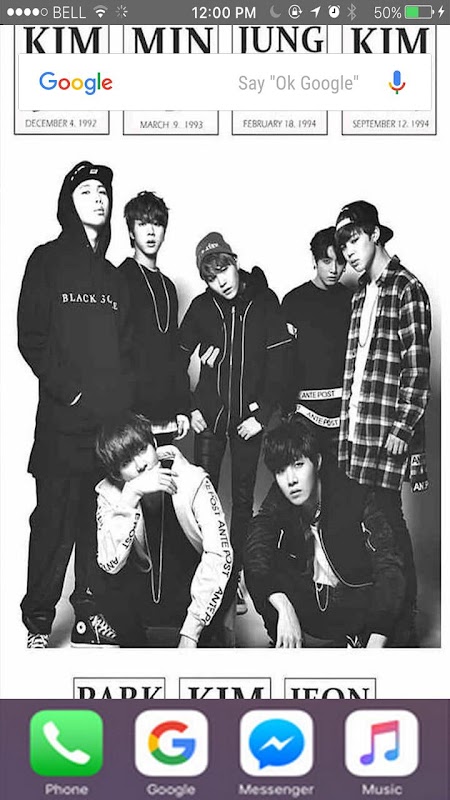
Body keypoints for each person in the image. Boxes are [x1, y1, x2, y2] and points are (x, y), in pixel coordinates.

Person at [18, 161, 134, 649]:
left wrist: (118, 407)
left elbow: (127, 351)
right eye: (86, 191)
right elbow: (31, 337)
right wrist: (74, 393)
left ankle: (89, 616)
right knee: (53, 523)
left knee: (98, 524)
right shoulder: (45, 260)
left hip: (105, 430)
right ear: (69, 203)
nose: (98, 198)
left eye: (103, 191)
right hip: (62, 425)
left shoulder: (113, 276)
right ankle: (39, 622)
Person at [179, 232, 290, 640]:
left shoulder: (264, 301)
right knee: (201, 501)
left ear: (234, 262)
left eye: (223, 269)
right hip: (210, 419)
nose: (220, 281)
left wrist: (262, 415)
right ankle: (208, 578)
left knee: (243, 501)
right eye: (210, 277)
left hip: (248, 422)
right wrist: (190, 407)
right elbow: (176, 356)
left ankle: (235, 579)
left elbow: (281, 362)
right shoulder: (201, 307)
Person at [334, 201, 431, 644]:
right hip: (359, 429)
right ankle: (390, 621)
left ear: (375, 234)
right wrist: (347, 428)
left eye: (354, 240)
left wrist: (401, 429)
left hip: (388, 431)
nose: (349, 253)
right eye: (343, 246)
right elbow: (356, 370)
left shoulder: (408, 288)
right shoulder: (360, 294)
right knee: (375, 525)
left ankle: (401, 627)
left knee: (387, 523)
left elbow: (417, 368)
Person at [244, 418, 406, 648]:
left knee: (390, 590)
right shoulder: (279, 497)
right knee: (260, 563)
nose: (291, 480)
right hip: (312, 605)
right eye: (281, 471)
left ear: (317, 462)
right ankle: (288, 642)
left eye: (298, 465)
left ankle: (357, 641)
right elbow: (255, 549)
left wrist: (377, 639)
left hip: (357, 604)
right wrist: (283, 607)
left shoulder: (354, 494)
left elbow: (389, 566)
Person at [95, 413, 233, 647]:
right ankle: (136, 646)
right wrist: (129, 498)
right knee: (98, 572)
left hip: (191, 596)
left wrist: (191, 632)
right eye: (126, 462)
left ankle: (206, 635)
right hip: (141, 602)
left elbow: (219, 554)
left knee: (228, 564)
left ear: (154, 443)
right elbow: (110, 564)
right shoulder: (109, 493)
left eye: (142, 449)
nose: (140, 464)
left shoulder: (193, 480)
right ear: (116, 473)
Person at [120, 191, 190, 444]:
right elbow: (114, 349)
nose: (150, 232)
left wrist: (182, 407)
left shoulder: (168, 286)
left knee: (167, 470)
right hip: (131, 413)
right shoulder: (119, 278)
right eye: (142, 224)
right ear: (131, 232)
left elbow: (175, 351)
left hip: (166, 412)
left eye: (157, 224)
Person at [281, 227, 352, 455]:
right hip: (303, 413)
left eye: (340, 262)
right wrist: (286, 409)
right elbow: (284, 359)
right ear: (314, 260)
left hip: (344, 412)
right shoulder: (293, 301)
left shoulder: (352, 300)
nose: (333, 269)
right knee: (303, 473)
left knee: (339, 476)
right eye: (326, 261)